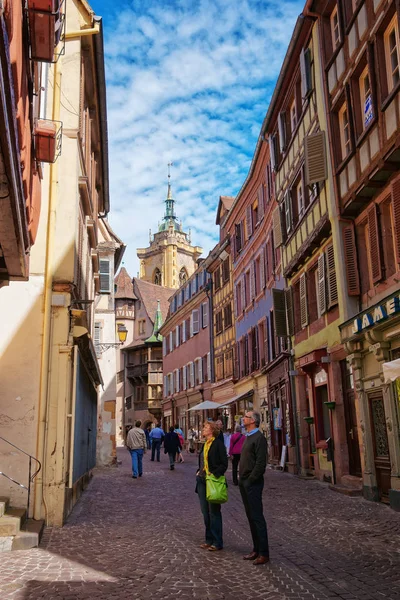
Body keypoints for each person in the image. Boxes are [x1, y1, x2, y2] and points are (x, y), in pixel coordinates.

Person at [239, 410, 270, 565]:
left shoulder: (259, 438)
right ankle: (256, 549)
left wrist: (251, 479)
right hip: (244, 481)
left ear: (253, 421)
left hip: (252, 483)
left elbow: (260, 463)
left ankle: (264, 552)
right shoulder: (248, 437)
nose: (243, 419)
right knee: (250, 516)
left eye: (246, 417)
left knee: (257, 517)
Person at [195, 421, 228, 552]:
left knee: (214, 512)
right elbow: (203, 461)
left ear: (212, 430)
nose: (203, 429)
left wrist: (214, 473)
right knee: (205, 512)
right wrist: (199, 471)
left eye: (206, 427)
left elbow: (224, 464)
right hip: (202, 480)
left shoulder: (218, 444)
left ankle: (217, 541)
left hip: (212, 480)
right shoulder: (205, 445)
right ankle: (208, 539)